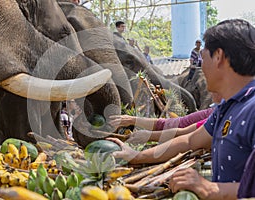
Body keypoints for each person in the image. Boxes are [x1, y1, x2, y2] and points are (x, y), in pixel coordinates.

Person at [108, 19, 255, 199]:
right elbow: (189, 140)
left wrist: (210, 189)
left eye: (203, 55)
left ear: (219, 56)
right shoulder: (226, 108)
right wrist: (136, 156)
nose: (201, 64)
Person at [122, 93, 222, 145]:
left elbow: (188, 137)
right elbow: (179, 125)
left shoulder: (220, 115)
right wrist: (133, 120)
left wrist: (149, 136)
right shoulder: (214, 113)